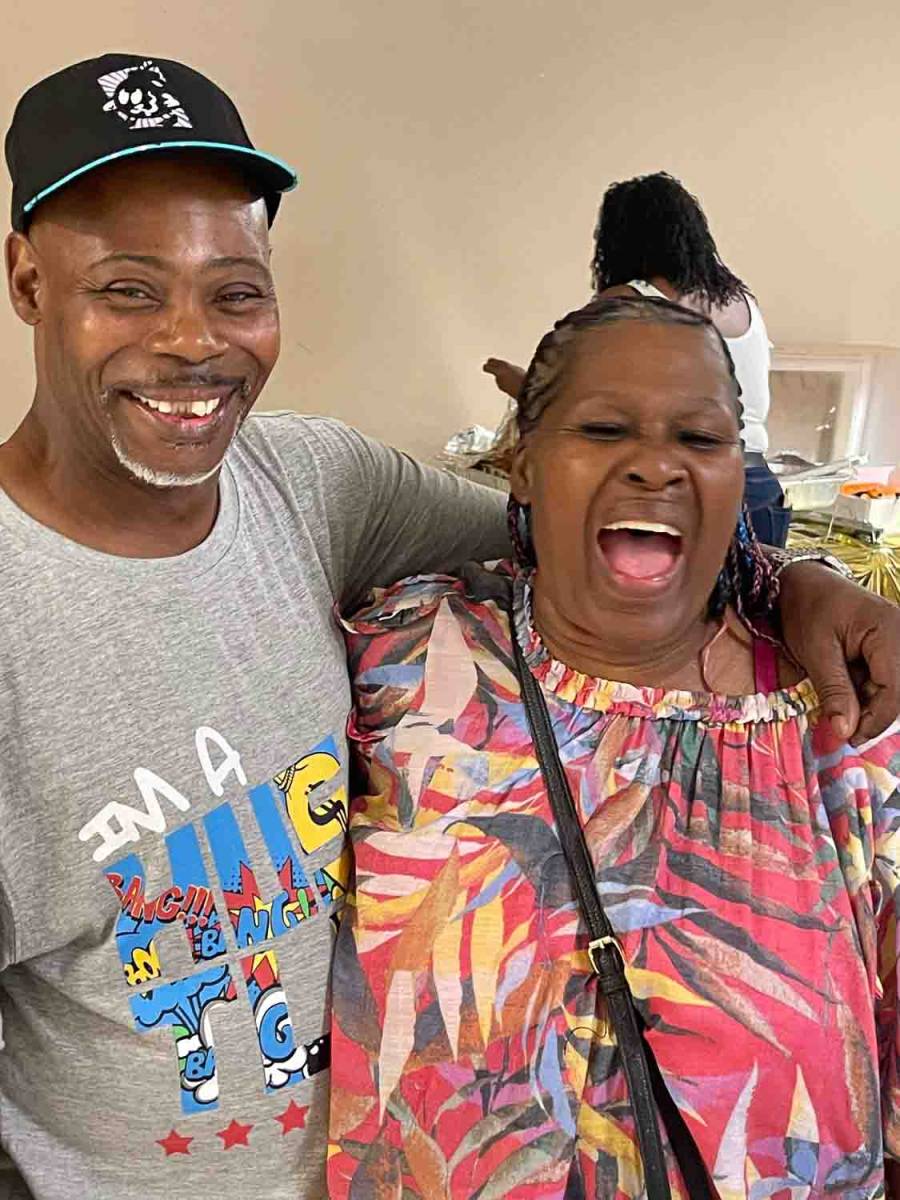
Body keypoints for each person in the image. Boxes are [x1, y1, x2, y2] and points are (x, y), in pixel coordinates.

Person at [0, 55, 895, 1200]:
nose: (191, 340)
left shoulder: (311, 488)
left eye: (235, 291)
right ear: (29, 280)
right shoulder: (383, 654)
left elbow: (586, 539)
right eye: (128, 289)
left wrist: (800, 580)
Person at [329, 297, 900, 1200]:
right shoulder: (399, 665)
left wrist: (799, 578)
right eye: (603, 429)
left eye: (700, 438)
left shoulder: (851, 728)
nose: (655, 465)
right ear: (522, 464)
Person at [484, 172, 789, 546]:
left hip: (682, 490)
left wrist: (515, 382)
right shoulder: (741, 301)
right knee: (763, 586)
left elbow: (569, 401)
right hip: (758, 487)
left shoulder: (628, 301)